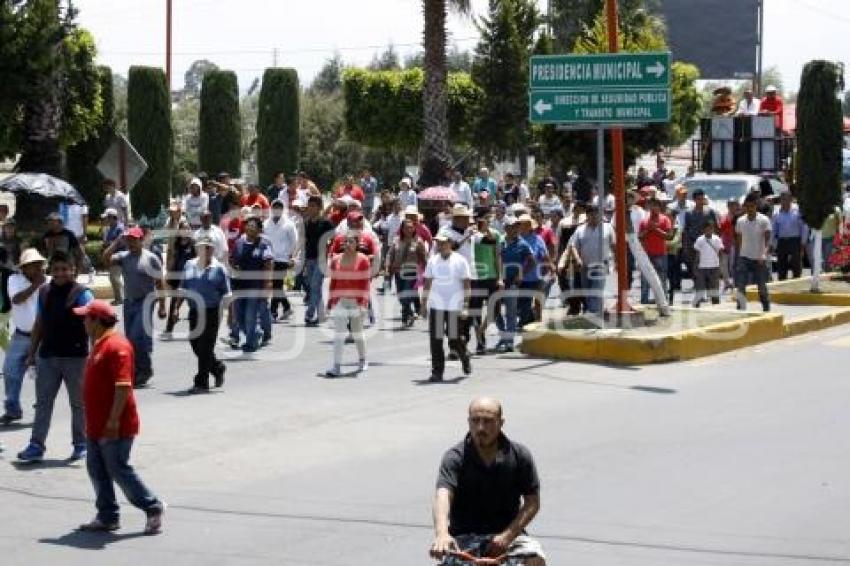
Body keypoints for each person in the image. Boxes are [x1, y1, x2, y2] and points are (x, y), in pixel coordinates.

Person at [73, 299, 165, 535]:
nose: (83, 322)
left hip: (114, 425)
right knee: (96, 468)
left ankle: (152, 506)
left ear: (96, 321)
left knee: (118, 469)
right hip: (96, 424)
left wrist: (113, 420)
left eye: (86, 317)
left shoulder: (117, 346)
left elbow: (123, 386)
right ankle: (107, 516)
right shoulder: (100, 343)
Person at [430, 397, 546, 565]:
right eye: (475, 421)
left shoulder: (519, 455)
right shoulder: (455, 457)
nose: (480, 427)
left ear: (501, 422)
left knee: (535, 559)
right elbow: (443, 496)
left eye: (488, 421)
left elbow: (532, 503)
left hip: (509, 535)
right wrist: (441, 533)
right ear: (468, 422)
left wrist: (507, 536)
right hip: (464, 538)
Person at [16, 251, 94, 463]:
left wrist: (97, 355)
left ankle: (81, 445)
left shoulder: (82, 294)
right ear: (51, 271)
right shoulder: (44, 292)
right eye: (56, 269)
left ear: (73, 270)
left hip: (75, 358)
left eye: (64, 269)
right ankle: (36, 445)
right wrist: (31, 354)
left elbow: (93, 326)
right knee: (43, 403)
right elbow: (39, 324)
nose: (60, 273)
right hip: (48, 356)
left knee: (78, 403)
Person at [103, 227, 167, 386]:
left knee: (136, 337)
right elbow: (105, 259)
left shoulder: (151, 258)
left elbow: (159, 283)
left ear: (141, 240)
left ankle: (144, 370)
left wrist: (162, 306)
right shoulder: (124, 256)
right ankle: (140, 369)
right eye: (128, 239)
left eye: (134, 239)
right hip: (129, 301)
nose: (130, 242)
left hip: (146, 301)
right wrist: (116, 242)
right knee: (131, 339)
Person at [1, 249, 47, 425]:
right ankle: (12, 410)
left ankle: (42, 408)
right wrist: (36, 285)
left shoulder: (49, 282)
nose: (37, 269)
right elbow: (17, 299)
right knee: (11, 371)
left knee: (43, 375)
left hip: (43, 336)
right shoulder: (14, 280)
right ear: (24, 268)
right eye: (32, 266)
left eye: (39, 265)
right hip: (21, 335)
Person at [181, 236, 231, 393]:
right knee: (195, 344)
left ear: (213, 249)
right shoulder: (189, 265)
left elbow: (228, 294)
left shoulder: (219, 269)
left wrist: (231, 315)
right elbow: (183, 288)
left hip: (212, 312)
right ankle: (217, 368)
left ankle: (201, 382)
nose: (205, 250)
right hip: (195, 311)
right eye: (202, 247)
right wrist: (175, 309)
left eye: (208, 247)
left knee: (205, 347)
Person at [422, 232, 472, 382]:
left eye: (443, 242)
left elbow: (467, 285)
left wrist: (465, 306)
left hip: (454, 305)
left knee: (454, 338)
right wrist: (423, 304)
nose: (440, 245)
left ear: (450, 243)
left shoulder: (460, 260)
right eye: (438, 242)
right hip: (436, 305)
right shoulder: (433, 260)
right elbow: (428, 283)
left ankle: (464, 356)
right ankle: (437, 371)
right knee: (436, 339)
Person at [325, 232, 372, 377]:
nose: (348, 244)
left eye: (351, 242)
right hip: (340, 300)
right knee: (339, 334)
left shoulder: (363, 260)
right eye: (346, 242)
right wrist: (329, 301)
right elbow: (333, 281)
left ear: (357, 244)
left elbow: (366, 283)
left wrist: (363, 303)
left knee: (357, 333)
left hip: (357, 302)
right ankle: (336, 366)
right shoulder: (336, 260)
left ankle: (363, 360)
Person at [230, 216, 273, 352]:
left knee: (250, 315)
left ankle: (250, 343)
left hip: (255, 286)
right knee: (239, 316)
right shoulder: (239, 243)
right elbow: (232, 261)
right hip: (239, 286)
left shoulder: (264, 245)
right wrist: (234, 268)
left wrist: (267, 286)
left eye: (253, 226)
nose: (249, 228)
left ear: (259, 230)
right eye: (248, 225)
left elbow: (268, 265)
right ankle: (256, 333)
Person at [566, 205, 615, 316]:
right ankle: (598, 313)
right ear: (587, 215)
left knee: (595, 292)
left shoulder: (607, 228)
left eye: (595, 213)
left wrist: (616, 262)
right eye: (590, 213)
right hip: (584, 266)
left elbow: (614, 245)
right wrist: (577, 259)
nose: (593, 216)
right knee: (588, 292)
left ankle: (592, 314)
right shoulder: (580, 229)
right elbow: (572, 246)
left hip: (600, 265)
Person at [497, 218, 533, 352]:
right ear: (506, 228)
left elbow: (532, 261)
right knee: (495, 312)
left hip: (512, 282)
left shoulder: (523, 244)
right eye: (512, 227)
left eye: (517, 227)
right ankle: (504, 334)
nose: (515, 229)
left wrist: (521, 274)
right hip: (497, 282)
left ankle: (509, 341)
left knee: (511, 313)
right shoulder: (500, 241)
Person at [469, 212, 503, 354]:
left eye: (486, 219)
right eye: (480, 220)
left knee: (495, 310)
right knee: (475, 311)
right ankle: (481, 342)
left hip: (491, 276)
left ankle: (481, 331)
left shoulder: (495, 234)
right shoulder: (471, 235)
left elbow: (498, 256)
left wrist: (500, 277)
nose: (484, 222)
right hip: (475, 278)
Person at [386, 218, 428, 327]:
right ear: (402, 229)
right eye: (406, 227)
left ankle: (405, 318)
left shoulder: (418, 242)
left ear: (414, 228)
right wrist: (387, 269)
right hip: (398, 272)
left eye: (411, 227)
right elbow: (390, 255)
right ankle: (410, 312)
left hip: (411, 272)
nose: (408, 230)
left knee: (406, 295)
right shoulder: (396, 240)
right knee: (401, 296)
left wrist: (427, 273)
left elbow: (424, 258)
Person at [736, 193, 772, 312]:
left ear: (756, 206)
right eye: (747, 206)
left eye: (752, 206)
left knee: (761, 286)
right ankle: (741, 309)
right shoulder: (740, 221)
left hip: (758, 259)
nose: (749, 209)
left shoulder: (763, 220)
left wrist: (764, 254)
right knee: (741, 286)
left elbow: (768, 241)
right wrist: (739, 255)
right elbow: (739, 240)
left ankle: (766, 308)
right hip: (744, 257)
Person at [303, 196, 336, 326]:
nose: (310, 208)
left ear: (319, 207)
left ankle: (310, 313)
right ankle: (321, 313)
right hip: (309, 258)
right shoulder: (306, 223)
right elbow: (304, 241)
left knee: (315, 286)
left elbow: (334, 237)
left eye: (313, 206)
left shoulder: (326, 223)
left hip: (321, 259)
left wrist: (329, 246)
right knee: (313, 288)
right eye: (309, 205)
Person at [264, 199, 298, 321]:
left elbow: (295, 242)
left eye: (279, 207)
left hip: (282, 259)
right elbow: (263, 240)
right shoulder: (266, 224)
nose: (277, 210)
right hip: (269, 259)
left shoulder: (289, 224)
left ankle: (273, 312)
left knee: (277, 285)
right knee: (276, 286)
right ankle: (287, 307)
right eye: (275, 207)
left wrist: (291, 256)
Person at [161, 220, 195, 337]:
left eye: (187, 228)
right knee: (174, 304)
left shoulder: (193, 244)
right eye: (183, 228)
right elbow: (173, 260)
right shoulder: (176, 244)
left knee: (194, 306)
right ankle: (169, 328)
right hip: (178, 278)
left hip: (190, 279)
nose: (185, 231)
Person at [638, 197, 671, 305]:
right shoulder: (644, 221)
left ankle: (663, 300)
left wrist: (656, 229)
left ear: (659, 207)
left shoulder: (665, 219)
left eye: (655, 205)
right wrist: (649, 229)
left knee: (661, 278)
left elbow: (669, 236)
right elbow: (640, 237)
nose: (653, 208)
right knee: (645, 278)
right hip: (646, 253)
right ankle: (644, 300)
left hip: (661, 253)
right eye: (651, 205)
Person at [682, 189, 718, 279]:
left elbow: (716, 227)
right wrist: (686, 246)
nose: (701, 201)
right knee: (694, 264)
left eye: (702, 199)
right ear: (694, 200)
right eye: (699, 199)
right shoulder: (689, 213)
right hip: (693, 242)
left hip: (707, 242)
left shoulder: (710, 212)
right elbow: (686, 229)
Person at [772, 192, 807, 280]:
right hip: (782, 241)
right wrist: (771, 243)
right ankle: (782, 282)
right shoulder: (776, 213)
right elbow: (773, 229)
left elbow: (803, 227)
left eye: (787, 199)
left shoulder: (797, 211)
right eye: (783, 199)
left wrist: (803, 242)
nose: (784, 202)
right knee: (781, 264)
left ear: (790, 200)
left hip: (795, 240)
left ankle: (797, 281)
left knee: (796, 263)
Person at [692, 221, 724, 307]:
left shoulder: (717, 239)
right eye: (707, 229)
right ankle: (696, 308)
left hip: (714, 267)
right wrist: (695, 267)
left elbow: (721, 253)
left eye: (710, 229)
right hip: (702, 267)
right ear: (703, 230)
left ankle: (716, 307)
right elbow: (697, 254)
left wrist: (721, 266)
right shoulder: (700, 240)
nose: (709, 231)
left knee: (714, 290)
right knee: (700, 289)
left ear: (713, 229)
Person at [101, 208, 125, 305]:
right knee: (113, 277)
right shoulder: (110, 228)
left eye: (107, 218)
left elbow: (121, 242)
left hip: (119, 255)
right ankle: (118, 298)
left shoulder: (120, 228)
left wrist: (109, 245)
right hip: (112, 255)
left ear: (112, 218)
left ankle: (121, 298)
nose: (105, 220)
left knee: (115, 277)